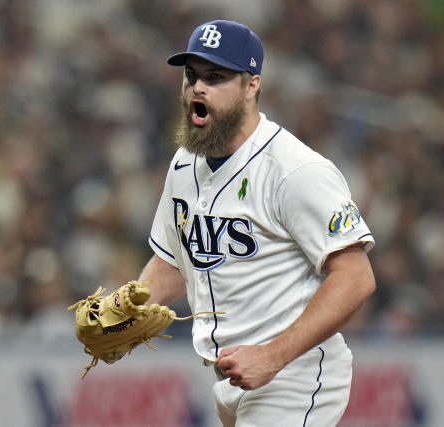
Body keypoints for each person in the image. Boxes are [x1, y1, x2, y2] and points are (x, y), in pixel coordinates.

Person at [139, 19, 376, 426]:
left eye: (216, 77)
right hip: (231, 376)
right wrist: (129, 309)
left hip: (293, 373)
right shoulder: (184, 165)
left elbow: (356, 277)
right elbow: (176, 262)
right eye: (192, 75)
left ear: (252, 86)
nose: (198, 87)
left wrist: (274, 356)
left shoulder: (293, 169)